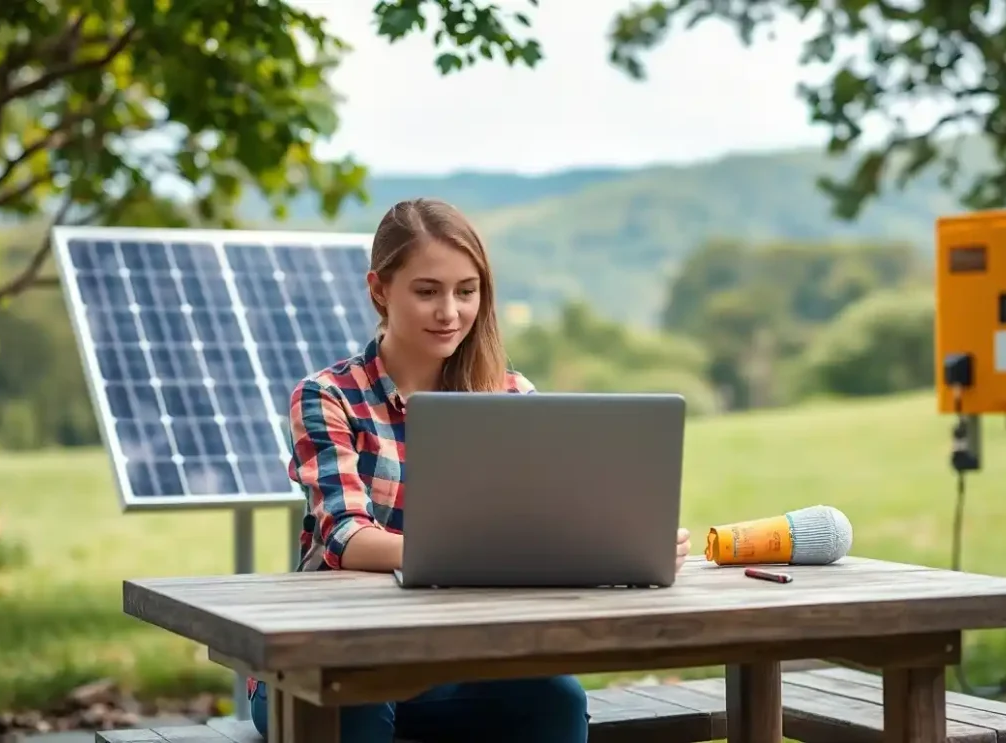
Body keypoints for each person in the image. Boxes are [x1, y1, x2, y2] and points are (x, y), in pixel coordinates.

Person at [246, 198, 693, 743]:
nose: (450, 312)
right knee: (354, 710)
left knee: (555, 700)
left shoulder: (511, 396)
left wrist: (616, 547)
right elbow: (346, 538)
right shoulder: (328, 397)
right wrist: (474, 559)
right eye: (427, 290)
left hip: (449, 661)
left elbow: (544, 530)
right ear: (380, 289)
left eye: (466, 291)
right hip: (325, 657)